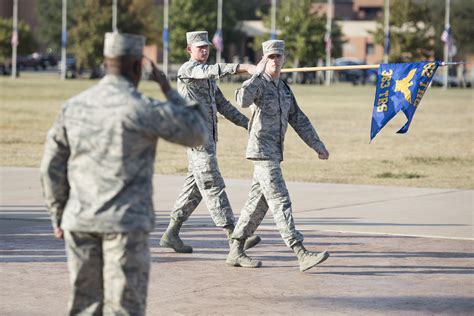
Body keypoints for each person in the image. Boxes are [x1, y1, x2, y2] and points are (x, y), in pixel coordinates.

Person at [40, 32, 208, 315]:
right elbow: (197, 132)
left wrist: (58, 215)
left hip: (80, 221)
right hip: (125, 225)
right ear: (137, 67)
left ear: (106, 63)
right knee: (124, 309)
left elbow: (51, 167)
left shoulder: (73, 107)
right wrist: (168, 90)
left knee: (84, 306)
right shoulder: (143, 107)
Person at [227, 40, 330, 271]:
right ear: (264, 58)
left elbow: (298, 119)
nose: (274, 61)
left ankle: (235, 249)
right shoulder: (259, 84)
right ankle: (300, 252)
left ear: (283, 59)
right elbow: (241, 100)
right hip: (261, 152)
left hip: (274, 153)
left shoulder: (283, 88)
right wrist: (256, 74)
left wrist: (317, 145)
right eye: (270, 57)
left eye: (278, 57)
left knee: (258, 204)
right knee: (280, 200)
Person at [160, 31, 260, 253]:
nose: (204, 50)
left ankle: (171, 233)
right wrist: (244, 67)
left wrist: (247, 124)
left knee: (195, 189)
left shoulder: (207, 80)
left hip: (207, 141)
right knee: (213, 185)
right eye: (199, 47)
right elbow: (213, 70)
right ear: (189, 50)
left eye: (206, 47)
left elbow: (223, 105)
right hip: (196, 140)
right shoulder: (189, 70)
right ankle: (235, 236)